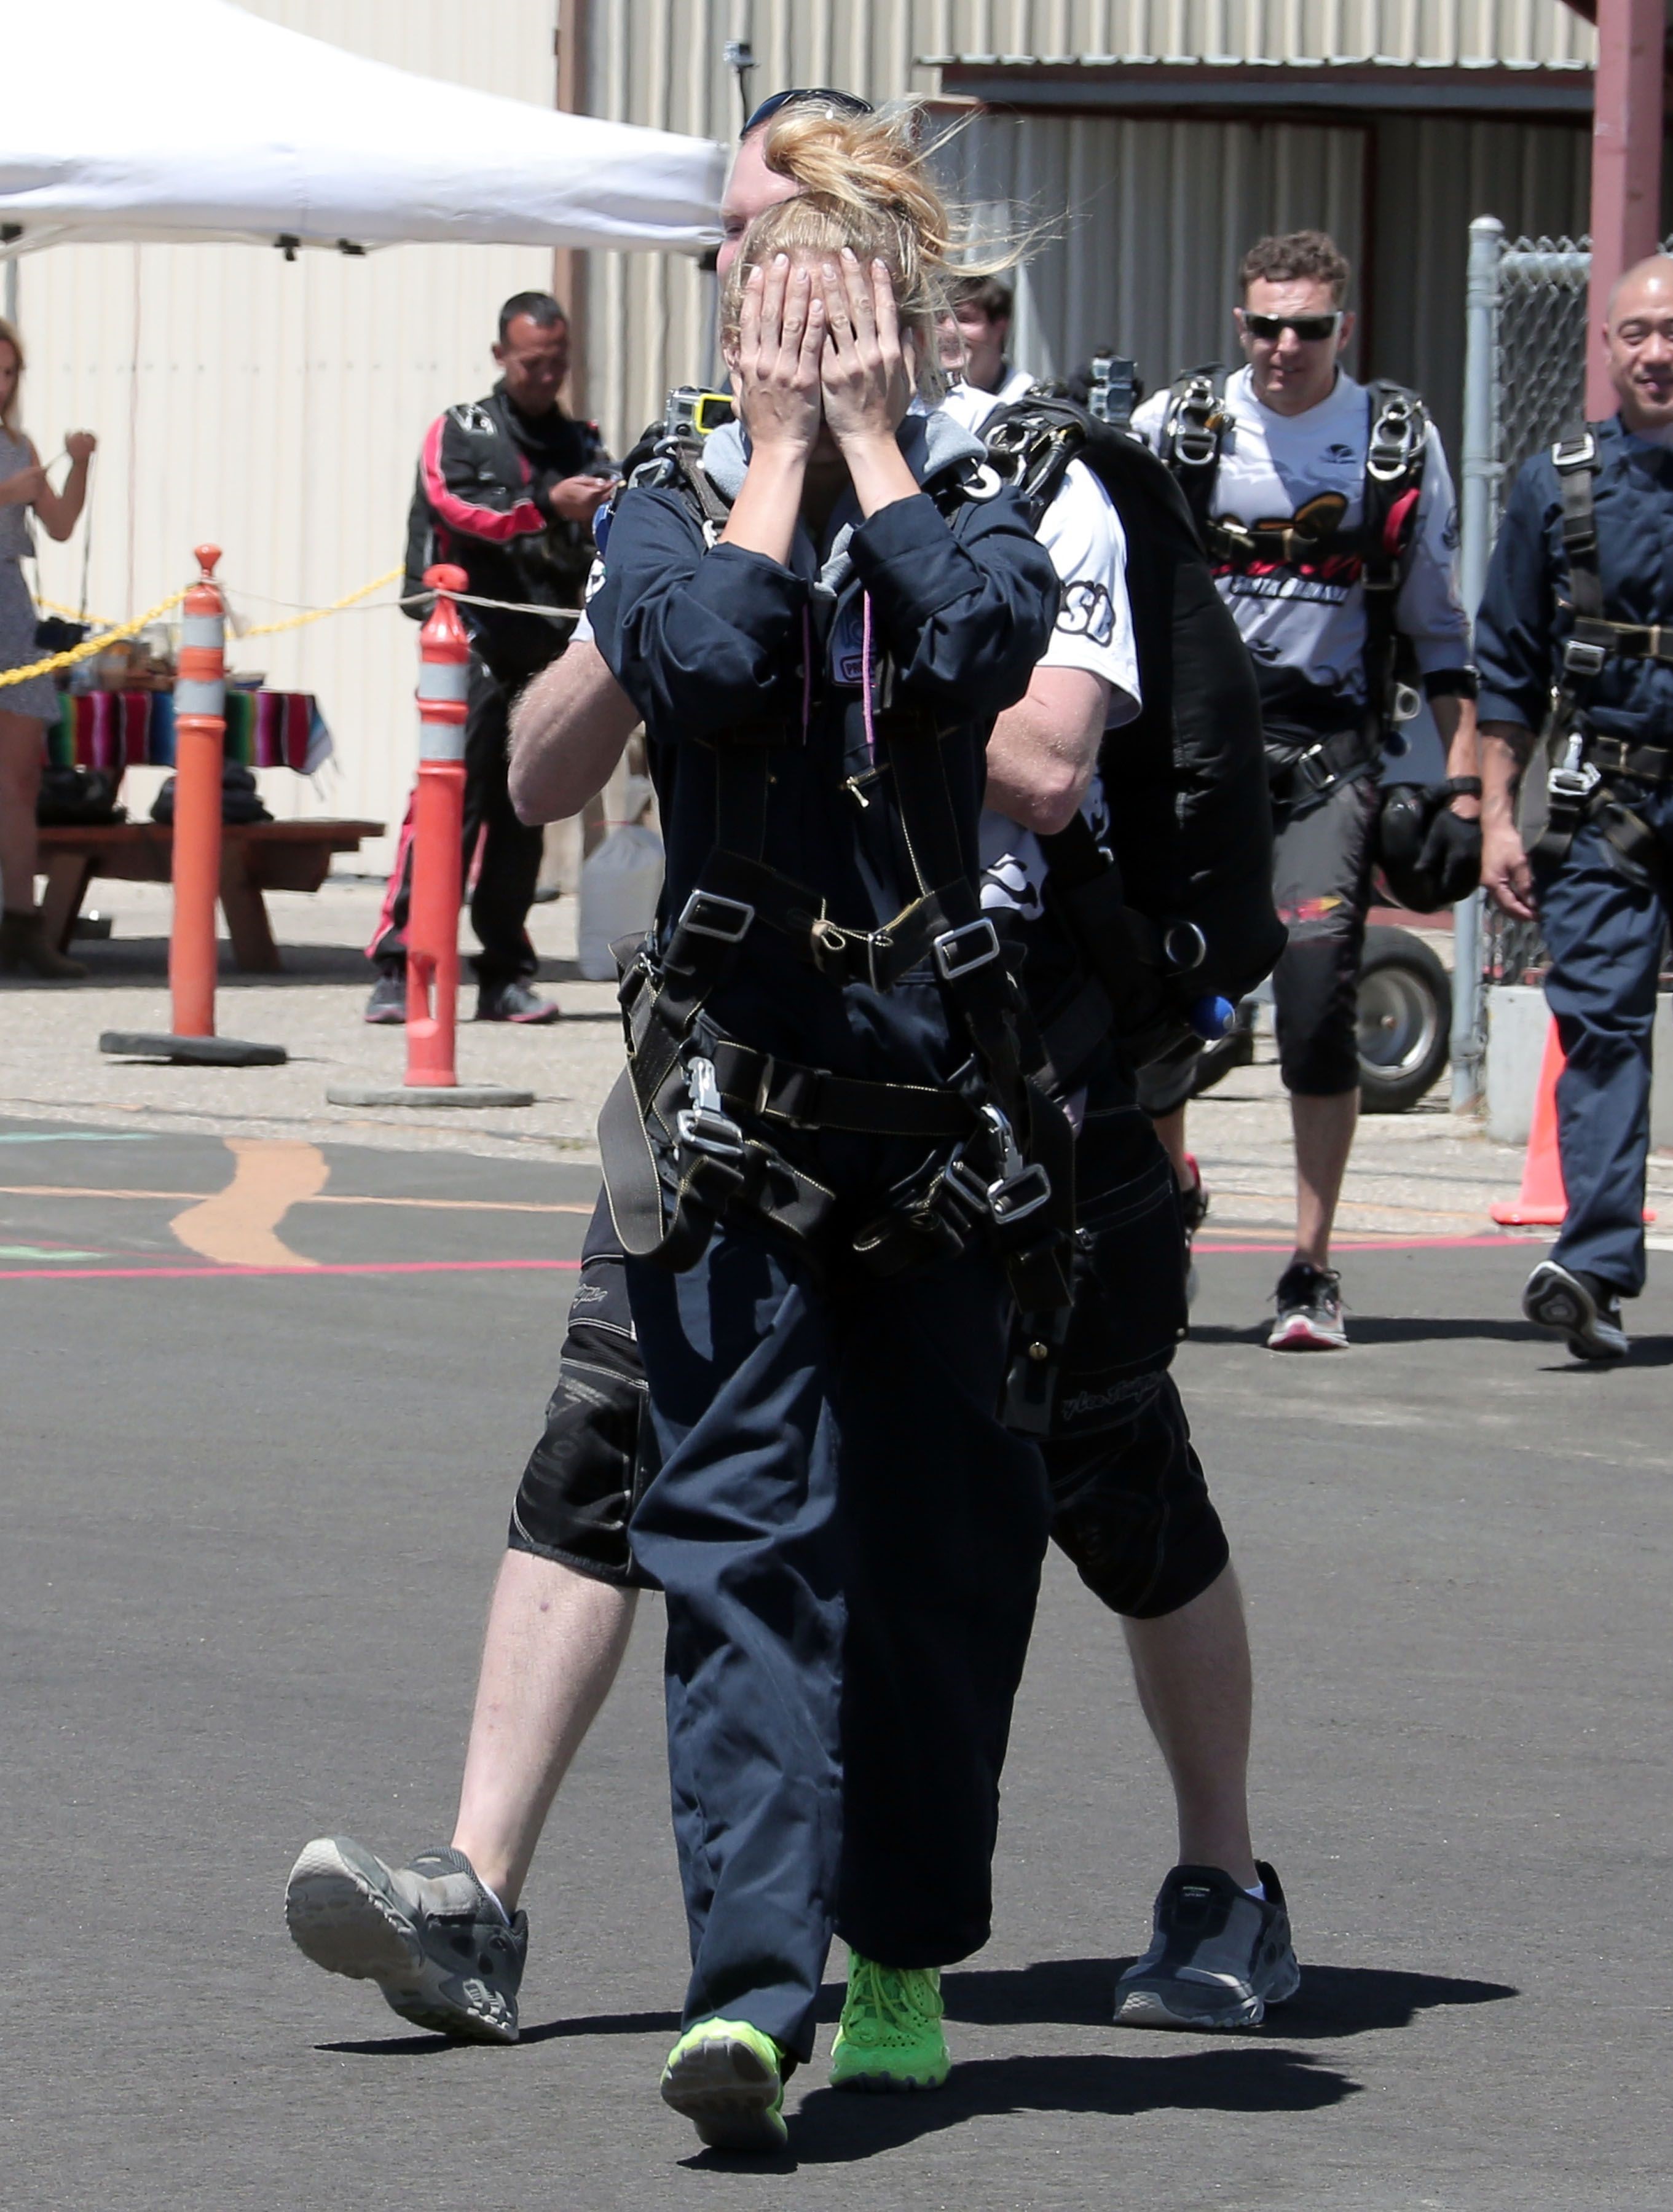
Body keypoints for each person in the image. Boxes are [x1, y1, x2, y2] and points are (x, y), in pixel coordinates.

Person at [285, 92, 1296, 2104]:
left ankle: (986, 1931)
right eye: (765, 285)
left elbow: (1000, 672)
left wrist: (863, 455)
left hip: (978, 1099)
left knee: (972, 1549)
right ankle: (744, 1979)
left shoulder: (1007, 491)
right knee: (726, 1536)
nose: (784, 316)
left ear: (908, 306)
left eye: (821, 286)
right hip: (738, 1102)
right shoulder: (673, 490)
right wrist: (766, 470)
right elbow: (701, 646)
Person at [1133, 231, 1481, 1350]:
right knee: (1163, 996)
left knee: (1318, 987)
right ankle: (1158, 1219)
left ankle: (1310, 1268)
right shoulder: (1177, 429)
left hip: (1328, 748)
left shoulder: (1392, 438)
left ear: (1344, 330)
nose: (1285, 346)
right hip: (1190, 749)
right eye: (1265, 325)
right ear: (1239, 326)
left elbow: (1439, 632)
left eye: (1309, 327)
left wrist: (1471, 790)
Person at [1475, 253, 1673, 1361]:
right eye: (1635, 332)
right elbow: (1507, 667)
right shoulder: (1560, 484)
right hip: (1604, 803)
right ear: (1605, 347)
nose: (1655, 352)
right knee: (1600, 1031)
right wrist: (1498, 816)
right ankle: (1592, 1267)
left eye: (1671, 330)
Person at [363, 292, 615, 1026]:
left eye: (557, 363)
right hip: (466, 639)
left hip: (544, 645)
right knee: (448, 801)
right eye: (533, 363)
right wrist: (545, 504)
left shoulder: (582, 439)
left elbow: (602, 519)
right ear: (501, 355)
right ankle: (400, 962)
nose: (545, 376)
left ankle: (504, 971)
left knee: (522, 810)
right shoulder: (460, 430)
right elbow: (457, 505)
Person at [0, 317, 95, 981]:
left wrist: (79, 464)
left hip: (10, 606)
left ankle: (22, 924)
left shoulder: (17, 442)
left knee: (21, 778)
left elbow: (58, 526)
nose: (1, 384)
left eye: (9, 373)